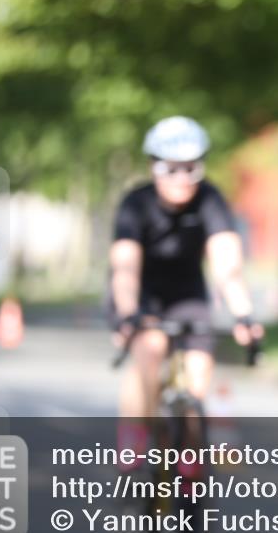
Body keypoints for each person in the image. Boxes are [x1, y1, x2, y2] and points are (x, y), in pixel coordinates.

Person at [108, 116, 264, 470]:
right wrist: (128, 313)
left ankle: (190, 467)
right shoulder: (135, 204)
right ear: (153, 167)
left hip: (187, 292)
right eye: (170, 169)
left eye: (190, 169)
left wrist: (243, 314)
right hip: (141, 291)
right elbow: (125, 268)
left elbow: (228, 265)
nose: (181, 179)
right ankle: (134, 439)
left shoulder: (210, 200)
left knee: (198, 377)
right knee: (150, 348)